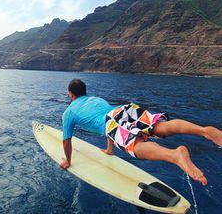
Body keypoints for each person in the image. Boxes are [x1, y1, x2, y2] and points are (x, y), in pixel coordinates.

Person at [60, 79, 222, 186]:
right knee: (159, 127)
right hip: (124, 109)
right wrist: (110, 150)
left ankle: (176, 155)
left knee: (136, 147)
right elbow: (111, 123)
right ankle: (204, 131)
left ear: (71, 94)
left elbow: (67, 141)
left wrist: (68, 161)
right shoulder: (95, 99)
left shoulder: (69, 112)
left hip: (111, 121)